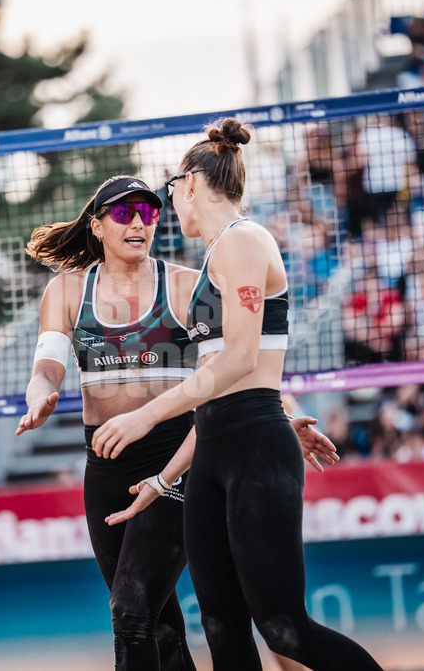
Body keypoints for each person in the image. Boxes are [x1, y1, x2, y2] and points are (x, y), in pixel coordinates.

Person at [92, 119, 383, 671]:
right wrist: (162, 478)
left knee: (284, 630)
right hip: (217, 447)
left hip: (253, 446)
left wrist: (146, 417)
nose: (170, 201)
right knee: (222, 629)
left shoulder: (246, 240)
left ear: (193, 182)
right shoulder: (214, 257)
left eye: (171, 189)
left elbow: (243, 361)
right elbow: (213, 397)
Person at [17, 175, 337, 671]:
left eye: (148, 211)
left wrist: (282, 414)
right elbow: (47, 367)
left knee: (130, 613)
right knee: (159, 630)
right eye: (124, 214)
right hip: (104, 465)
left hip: (180, 456)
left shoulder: (188, 285)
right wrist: (40, 396)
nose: (139, 221)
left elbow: (243, 360)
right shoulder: (65, 291)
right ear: (98, 225)